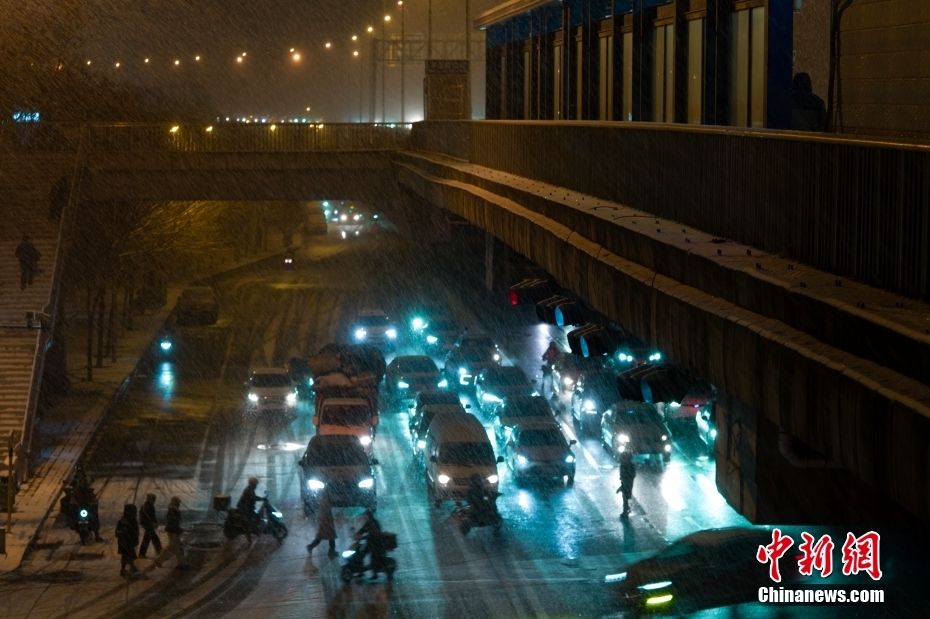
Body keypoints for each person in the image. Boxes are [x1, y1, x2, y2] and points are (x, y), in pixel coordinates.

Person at [69, 463, 102, 542]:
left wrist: (93, 503)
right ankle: (74, 525)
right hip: (80, 506)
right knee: (72, 514)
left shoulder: (89, 490)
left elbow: (93, 498)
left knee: (94, 517)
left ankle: (97, 534)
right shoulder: (77, 489)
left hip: (87, 506)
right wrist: (73, 503)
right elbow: (73, 497)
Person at [154, 496, 189, 569]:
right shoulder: (174, 509)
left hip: (172, 530)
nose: (179, 504)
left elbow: (172, 521)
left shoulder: (172, 509)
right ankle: (180, 563)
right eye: (179, 503)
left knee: (174, 547)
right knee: (175, 547)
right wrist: (177, 529)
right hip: (173, 531)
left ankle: (160, 561)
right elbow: (173, 521)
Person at [306, 490, 337, 556]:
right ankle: (331, 550)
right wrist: (326, 522)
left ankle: (311, 546)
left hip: (326, 523)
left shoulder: (323, 501)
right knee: (330, 537)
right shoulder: (325, 502)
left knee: (322, 537)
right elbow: (325, 513)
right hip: (327, 523)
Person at [357, 509, 386, 579]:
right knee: (361, 554)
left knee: (373, 557)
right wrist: (357, 534)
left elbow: (374, 534)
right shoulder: (370, 522)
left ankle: (375, 573)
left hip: (376, 544)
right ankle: (360, 571)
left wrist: (364, 536)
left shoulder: (373, 523)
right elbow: (363, 529)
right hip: (370, 543)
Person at [115, 504, 140, 576]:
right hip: (126, 541)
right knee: (129, 555)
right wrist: (126, 534)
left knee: (127, 555)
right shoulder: (125, 521)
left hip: (127, 541)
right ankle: (131, 567)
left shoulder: (130, 520)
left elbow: (135, 531)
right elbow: (118, 531)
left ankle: (126, 568)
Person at [237, 477, 261, 542]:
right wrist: (261, 499)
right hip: (244, 507)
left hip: (248, 506)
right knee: (250, 520)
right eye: (255, 484)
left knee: (256, 517)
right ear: (252, 484)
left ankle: (254, 530)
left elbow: (253, 497)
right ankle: (248, 534)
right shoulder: (249, 490)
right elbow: (252, 498)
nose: (256, 486)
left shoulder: (250, 489)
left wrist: (261, 498)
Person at [139, 493, 162, 558]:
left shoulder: (144, 506)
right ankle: (159, 551)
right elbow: (151, 516)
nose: (154, 501)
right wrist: (154, 522)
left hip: (146, 524)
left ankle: (142, 554)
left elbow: (142, 515)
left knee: (150, 538)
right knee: (151, 538)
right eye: (154, 499)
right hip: (149, 525)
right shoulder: (149, 506)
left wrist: (143, 523)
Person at [617, 451, 637, 518]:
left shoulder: (628, 466)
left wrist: (627, 478)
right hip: (625, 482)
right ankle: (626, 509)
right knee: (625, 497)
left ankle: (625, 510)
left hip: (627, 483)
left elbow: (632, 474)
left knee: (625, 497)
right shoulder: (623, 465)